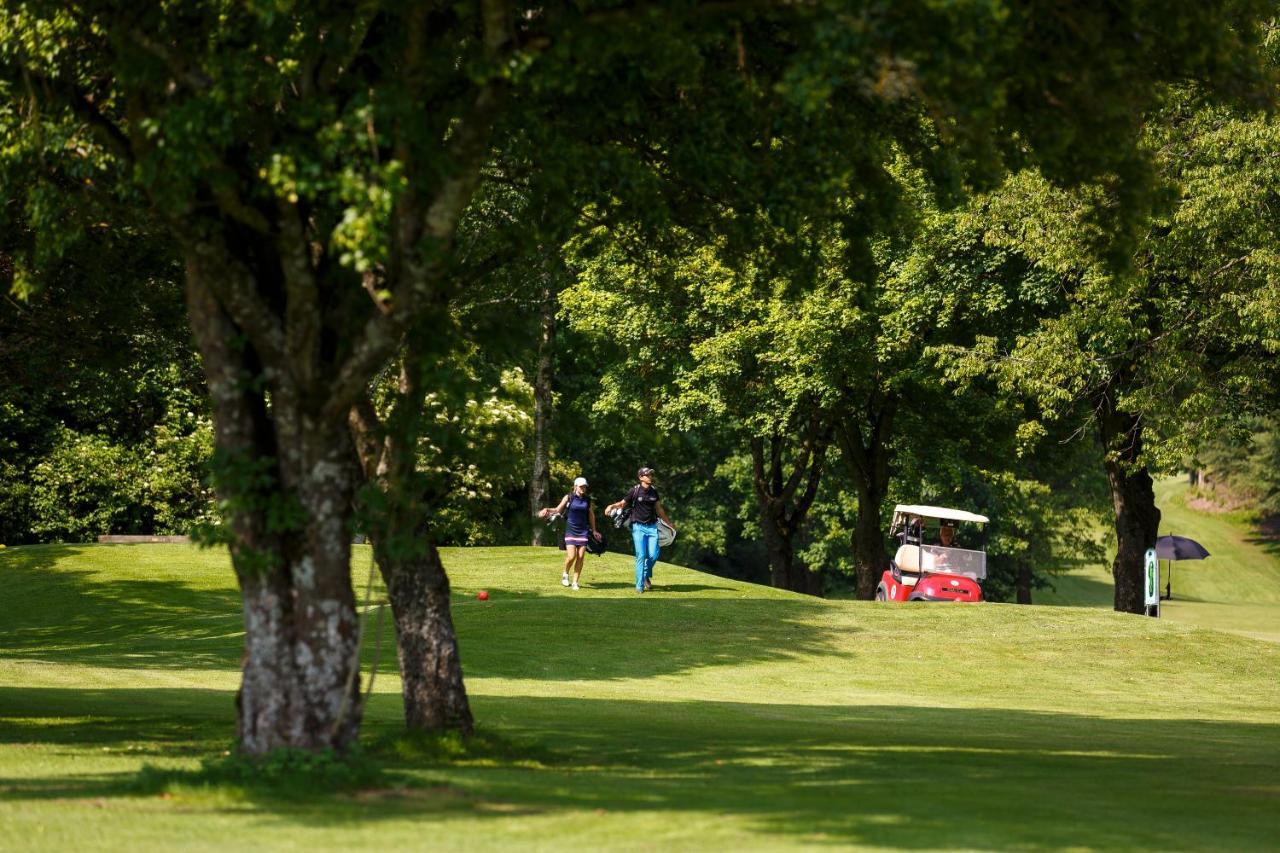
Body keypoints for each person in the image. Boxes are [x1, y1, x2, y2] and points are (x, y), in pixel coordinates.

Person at [606, 467, 675, 593]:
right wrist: (611, 506)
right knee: (641, 556)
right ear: (641, 477)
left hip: (653, 527)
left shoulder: (654, 491)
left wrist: (668, 523)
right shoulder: (635, 490)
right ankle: (639, 586)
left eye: (650, 475)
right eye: (647, 475)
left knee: (653, 554)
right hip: (638, 527)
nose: (650, 477)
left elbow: (659, 509)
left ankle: (644, 575)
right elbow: (622, 503)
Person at [538, 476, 602, 591]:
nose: (583, 488)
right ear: (575, 486)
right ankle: (565, 573)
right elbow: (558, 510)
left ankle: (575, 582)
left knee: (581, 557)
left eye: (585, 487)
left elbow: (591, 515)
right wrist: (547, 509)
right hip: (570, 530)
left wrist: (594, 530)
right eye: (581, 486)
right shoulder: (569, 497)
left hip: (583, 531)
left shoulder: (587, 500)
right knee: (572, 556)